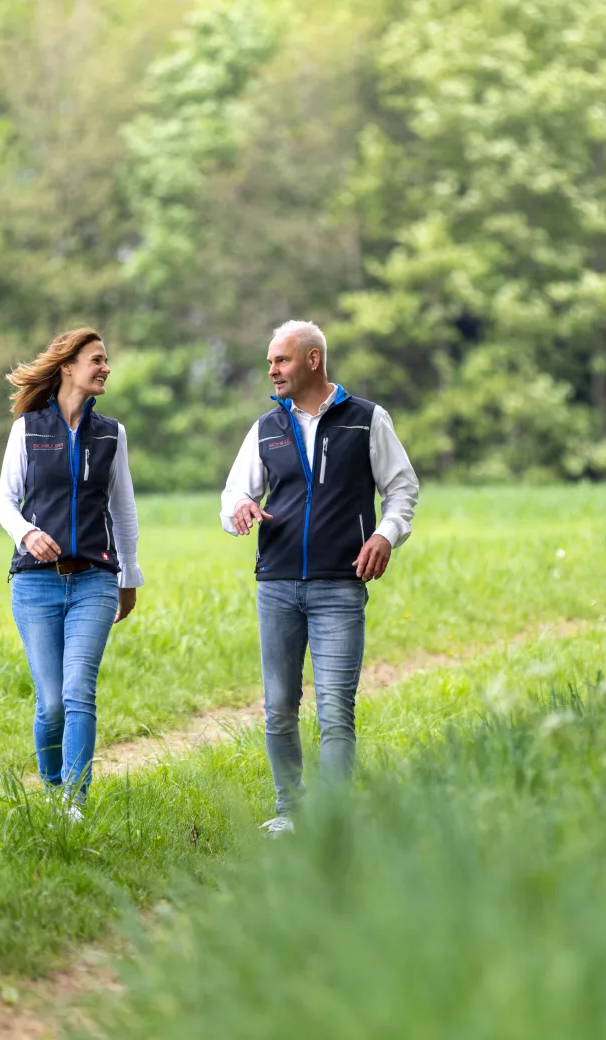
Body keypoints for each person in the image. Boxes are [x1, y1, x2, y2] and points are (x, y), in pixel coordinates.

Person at [220, 320, 420, 835]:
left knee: (336, 709)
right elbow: (233, 496)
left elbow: (402, 490)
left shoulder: (367, 420)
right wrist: (241, 509)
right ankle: (290, 810)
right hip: (277, 584)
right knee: (280, 707)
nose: (272, 371)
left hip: (340, 586)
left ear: (312, 360)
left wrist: (386, 534)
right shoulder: (266, 428)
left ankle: (330, 820)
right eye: (270, 361)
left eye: (281, 360)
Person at [0, 328, 143, 820]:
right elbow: (4, 500)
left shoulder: (111, 434)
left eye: (106, 360)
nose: (105, 368)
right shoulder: (28, 428)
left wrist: (130, 577)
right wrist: (25, 534)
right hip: (36, 581)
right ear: (67, 367)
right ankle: (52, 788)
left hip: (95, 580)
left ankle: (74, 802)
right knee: (52, 703)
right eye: (96, 360)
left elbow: (123, 511)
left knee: (80, 689)